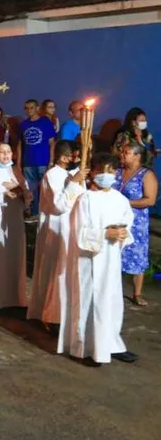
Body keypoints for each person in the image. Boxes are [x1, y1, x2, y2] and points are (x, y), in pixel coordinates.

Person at [59, 153, 137, 364]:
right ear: (92, 173)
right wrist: (104, 234)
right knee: (90, 300)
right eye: (101, 170)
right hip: (90, 258)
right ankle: (87, 346)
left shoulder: (120, 200)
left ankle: (112, 343)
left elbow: (127, 223)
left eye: (111, 171)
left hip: (111, 257)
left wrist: (121, 233)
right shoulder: (86, 199)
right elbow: (78, 230)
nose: (106, 175)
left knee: (111, 299)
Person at [27, 141, 86, 326]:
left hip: (73, 228)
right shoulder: (53, 175)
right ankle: (49, 315)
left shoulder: (71, 175)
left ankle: (65, 312)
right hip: (56, 228)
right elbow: (59, 205)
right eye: (74, 156)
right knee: (54, 270)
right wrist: (74, 184)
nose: (76, 160)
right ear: (63, 157)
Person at [0, 142, 30, 308]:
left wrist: (22, 192)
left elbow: (26, 195)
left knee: (15, 255)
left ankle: (15, 297)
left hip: (15, 220)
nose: (6, 155)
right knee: (0, 257)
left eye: (9, 151)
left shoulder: (16, 172)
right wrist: (3, 192)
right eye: (2, 152)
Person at [114, 141, 158, 306]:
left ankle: (137, 293)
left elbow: (150, 200)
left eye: (127, 153)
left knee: (137, 255)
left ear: (137, 156)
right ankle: (113, 289)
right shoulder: (117, 171)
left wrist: (125, 203)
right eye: (123, 152)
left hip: (136, 222)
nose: (122, 155)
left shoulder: (146, 175)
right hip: (116, 220)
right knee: (114, 254)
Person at [17, 99, 57, 217]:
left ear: (37, 108)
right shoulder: (23, 125)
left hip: (43, 162)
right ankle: (34, 214)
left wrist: (51, 161)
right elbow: (20, 145)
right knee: (31, 191)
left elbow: (52, 143)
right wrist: (19, 163)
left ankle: (46, 214)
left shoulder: (45, 123)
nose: (29, 110)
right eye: (27, 108)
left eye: (31, 107)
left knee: (45, 190)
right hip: (28, 163)